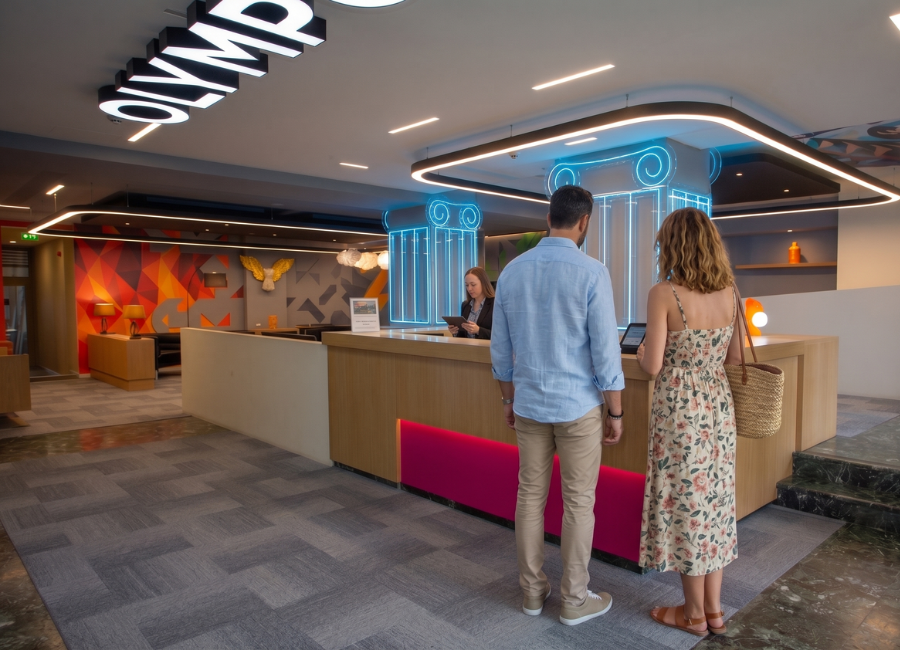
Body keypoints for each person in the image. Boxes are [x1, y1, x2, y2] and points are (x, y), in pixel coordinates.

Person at [490, 185, 625, 626]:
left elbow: (500, 349)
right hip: (578, 406)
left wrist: (508, 400)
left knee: (529, 497)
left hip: (528, 403)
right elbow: (606, 352)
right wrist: (617, 412)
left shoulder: (511, 271)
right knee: (578, 503)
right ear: (584, 221)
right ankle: (574, 598)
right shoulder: (591, 272)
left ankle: (532, 594)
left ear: (550, 217)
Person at [636, 207, 743, 637]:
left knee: (686, 509)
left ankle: (693, 615)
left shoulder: (664, 293)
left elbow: (653, 366)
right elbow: (734, 359)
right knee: (714, 507)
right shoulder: (731, 292)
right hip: (718, 407)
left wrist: (644, 350)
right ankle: (714, 611)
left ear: (673, 245)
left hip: (679, 412)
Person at [447, 266, 494, 339]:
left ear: (483, 283)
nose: (469, 288)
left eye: (473, 285)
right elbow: (462, 336)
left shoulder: (495, 304)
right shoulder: (465, 305)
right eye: (467, 285)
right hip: (467, 349)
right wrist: (455, 332)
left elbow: (501, 335)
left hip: (485, 349)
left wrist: (478, 330)